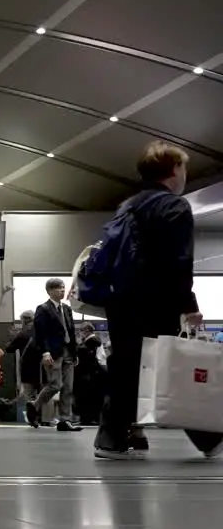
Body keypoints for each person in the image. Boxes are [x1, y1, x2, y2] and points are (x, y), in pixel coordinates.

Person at [94, 141, 205, 459]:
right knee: (167, 366)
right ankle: (206, 431)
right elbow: (179, 261)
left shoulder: (128, 204)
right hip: (156, 300)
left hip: (121, 300)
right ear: (174, 170)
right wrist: (190, 304)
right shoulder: (174, 206)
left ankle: (122, 433)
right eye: (184, 167)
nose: (185, 174)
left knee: (129, 365)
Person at [33, 278, 83, 432]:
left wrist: (75, 353)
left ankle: (65, 420)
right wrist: (45, 352)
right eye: (59, 288)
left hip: (68, 351)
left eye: (63, 287)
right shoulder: (43, 309)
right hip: (53, 353)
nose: (63, 290)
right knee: (56, 385)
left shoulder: (67, 309)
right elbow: (40, 333)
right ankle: (34, 406)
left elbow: (71, 332)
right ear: (50, 291)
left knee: (68, 387)